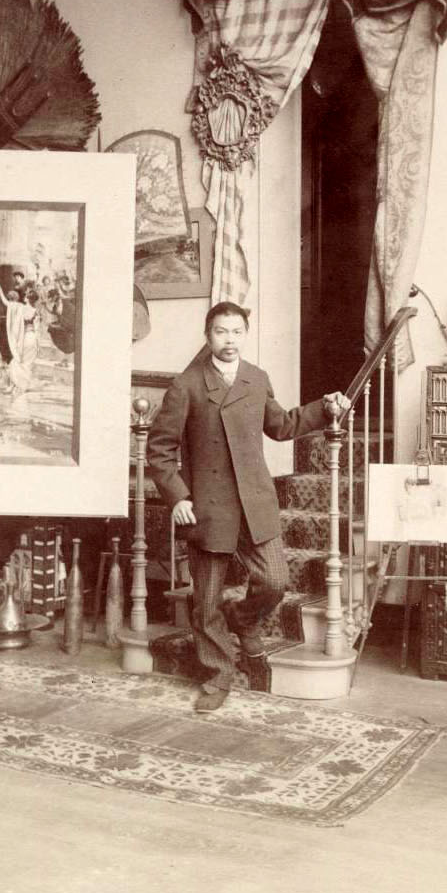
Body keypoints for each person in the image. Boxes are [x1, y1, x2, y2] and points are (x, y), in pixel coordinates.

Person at [147, 302, 351, 713]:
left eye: (236, 331)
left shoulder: (256, 379)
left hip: (254, 502)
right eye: (220, 331)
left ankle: (242, 620)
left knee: (275, 581)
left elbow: (283, 425)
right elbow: (160, 450)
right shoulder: (186, 385)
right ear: (208, 336)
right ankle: (218, 674)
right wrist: (178, 497)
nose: (229, 339)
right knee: (206, 602)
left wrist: (324, 407)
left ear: (245, 334)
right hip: (208, 507)